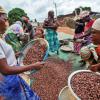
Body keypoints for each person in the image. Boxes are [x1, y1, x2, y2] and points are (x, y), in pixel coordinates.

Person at [0, 6, 44, 100]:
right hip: (8, 82)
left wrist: (13, 55)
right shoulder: (19, 27)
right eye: (5, 19)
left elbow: (3, 57)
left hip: (11, 78)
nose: (7, 22)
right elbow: (5, 70)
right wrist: (33, 66)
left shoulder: (1, 37)